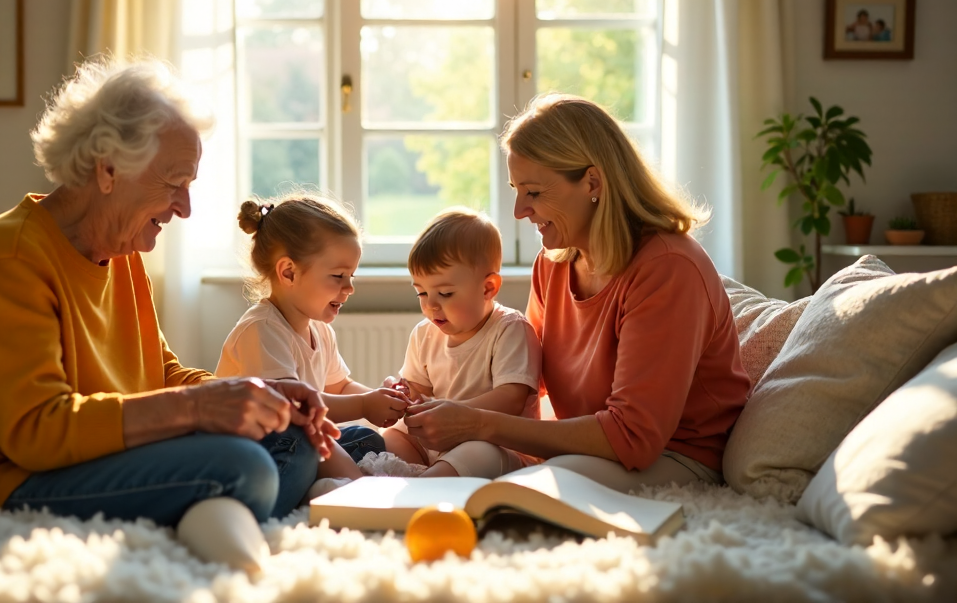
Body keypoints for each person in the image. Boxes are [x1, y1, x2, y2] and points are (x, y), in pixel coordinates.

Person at [0, 58, 337, 527]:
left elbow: (161, 374)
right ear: (108, 169)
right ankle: (221, 514)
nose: (185, 208)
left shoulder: (122, 254)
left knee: (290, 441)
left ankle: (215, 517)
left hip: (88, 460)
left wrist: (256, 392)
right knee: (248, 467)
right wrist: (198, 409)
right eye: (175, 184)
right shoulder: (10, 256)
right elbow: (35, 431)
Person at [398, 93, 751, 493]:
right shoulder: (553, 265)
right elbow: (526, 380)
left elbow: (633, 436)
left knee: (512, 493)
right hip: (587, 452)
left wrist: (479, 423)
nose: (518, 211)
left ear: (592, 182)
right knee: (474, 467)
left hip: (675, 457)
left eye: (532, 192)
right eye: (516, 189)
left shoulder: (669, 269)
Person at [217, 194, 408, 492]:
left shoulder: (319, 328)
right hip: (261, 450)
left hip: (302, 437)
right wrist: (363, 404)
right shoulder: (261, 330)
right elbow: (296, 410)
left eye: (352, 275)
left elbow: (339, 387)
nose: (350, 287)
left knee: (365, 437)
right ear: (289, 272)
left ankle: (326, 484)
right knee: (309, 436)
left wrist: (379, 399)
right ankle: (358, 491)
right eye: (338, 276)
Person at [380, 208, 541, 478]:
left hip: (497, 445)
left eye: (445, 293)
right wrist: (403, 395)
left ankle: (421, 489)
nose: (431, 305)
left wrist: (456, 415)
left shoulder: (510, 329)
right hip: (438, 441)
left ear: (488, 288)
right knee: (390, 437)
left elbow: (511, 400)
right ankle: (383, 482)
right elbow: (419, 388)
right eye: (421, 292)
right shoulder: (424, 334)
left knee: (477, 452)